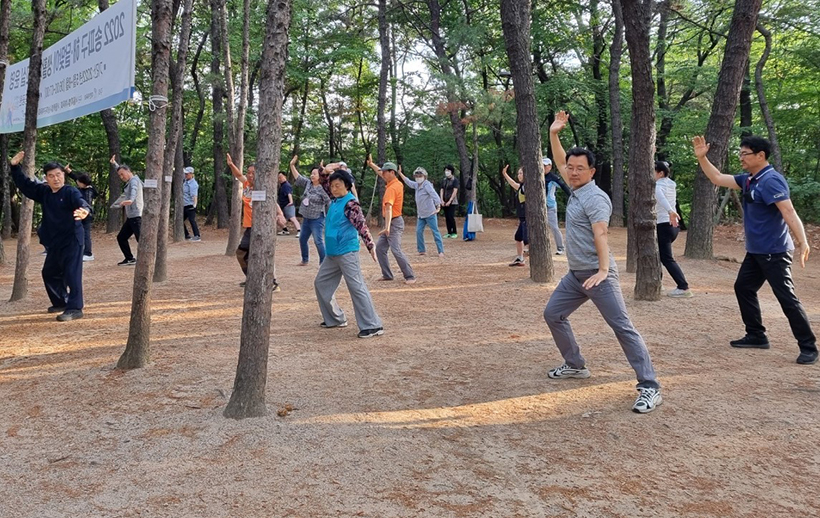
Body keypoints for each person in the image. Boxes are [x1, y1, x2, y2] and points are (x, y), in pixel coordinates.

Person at [545, 110, 662, 413]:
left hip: (599, 276)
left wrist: (603, 270)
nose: (572, 172)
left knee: (622, 327)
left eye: (579, 168)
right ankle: (575, 364)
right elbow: (559, 160)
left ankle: (650, 386)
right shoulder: (575, 188)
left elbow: (601, 234)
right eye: (570, 168)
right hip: (576, 275)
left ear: (592, 171)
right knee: (553, 314)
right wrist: (554, 133)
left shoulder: (595, 198)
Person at [692, 135, 817, 365]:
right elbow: (718, 178)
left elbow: (788, 211)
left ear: (761, 156)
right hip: (756, 251)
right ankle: (757, 335)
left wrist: (802, 241)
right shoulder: (750, 179)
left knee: (786, 298)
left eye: (745, 154)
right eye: (740, 153)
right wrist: (703, 158)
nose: (741, 158)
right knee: (743, 287)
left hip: (775, 252)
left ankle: (808, 346)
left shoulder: (771, 180)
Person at [9, 151, 90, 321]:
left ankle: (75, 308)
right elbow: (25, 185)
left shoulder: (70, 192)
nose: (56, 178)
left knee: (71, 274)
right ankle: (61, 302)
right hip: (54, 242)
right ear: (46, 178)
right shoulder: (44, 192)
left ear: (63, 176)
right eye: (51, 176)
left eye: (59, 175)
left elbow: (82, 203)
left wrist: (85, 211)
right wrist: (15, 167)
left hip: (72, 240)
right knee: (49, 273)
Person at [314, 170, 384, 338]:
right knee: (321, 283)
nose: (333, 188)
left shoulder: (350, 203)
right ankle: (336, 318)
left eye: (337, 185)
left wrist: (370, 245)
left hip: (346, 252)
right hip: (332, 253)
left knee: (356, 287)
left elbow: (362, 226)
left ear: (347, 185)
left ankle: (373, 325)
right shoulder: (334, 200)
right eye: (332, 186)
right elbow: (323, 179)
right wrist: (326, 169)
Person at [227, 153, 285, 291]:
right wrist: (230, 165)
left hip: (261, 226)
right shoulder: (247, 184)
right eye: (249, 172)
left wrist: (280, 214)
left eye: (253, 173)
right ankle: (253, 278)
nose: (250, 175)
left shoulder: (262, 186)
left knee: (263, 253)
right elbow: (239, 175)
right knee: (243, 253)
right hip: (250, 226)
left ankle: (273, 282)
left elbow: (273, 202)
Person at [366, 155, 416, 284]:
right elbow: (380, 173)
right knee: (380, 249)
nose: (382, 174)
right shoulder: (395, 183)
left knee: (396, 249)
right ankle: (387, 275)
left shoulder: (392, 188)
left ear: (392, 172)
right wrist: (371, 164)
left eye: (384, 172)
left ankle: (410, 276)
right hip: (392, 222)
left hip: (394, 222)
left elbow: (388, 209)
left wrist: (387, 227)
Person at [653, 161, 692, 298]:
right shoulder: (671, 184)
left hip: (664, 224)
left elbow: (660, 197)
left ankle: (683, 287)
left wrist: (670, 211)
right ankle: (657, 283)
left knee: (666, 258)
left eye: (653, 171)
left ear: (660, 173)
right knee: (657, 256)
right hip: (673, 226)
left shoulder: (658, 186)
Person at [289, 156, 330, 266]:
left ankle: (323, 262)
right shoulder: (308, 183)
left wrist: (330, 215)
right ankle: (305, 259)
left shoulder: (323, 188)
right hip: (306, 217)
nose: (312, 175)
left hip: (317, 218)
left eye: (314, 174)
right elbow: (298, 177)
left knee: (318, 241)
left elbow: (328, 201)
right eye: (311, 173)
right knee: (302, 239)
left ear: (320, 176)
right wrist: (292, 165)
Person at [398, 165, 444, 257]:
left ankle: (440, 251)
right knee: (419, 231)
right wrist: (400, 173)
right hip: (421, 215)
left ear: (424, 176)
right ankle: (421, 250)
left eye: (420, 176)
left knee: (435, 231)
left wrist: (438, 206)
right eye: (417, 176)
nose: (418, 178)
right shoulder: (417, 185)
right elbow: (408, 182)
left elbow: (434, 194)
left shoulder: (427, 185)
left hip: (430, 213)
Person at [110, 156, 143, 266]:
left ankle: (147, 259)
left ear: (128, 171)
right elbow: (121, 169)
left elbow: (134, 191)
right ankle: (129, 258)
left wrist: (130, 200)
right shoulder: (132, 179)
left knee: (141, 240)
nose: (121, 177)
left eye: (122, 174)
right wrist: (114, 164)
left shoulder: (134, 181)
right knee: (121, 237)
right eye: (119, 175)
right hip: (131, 217)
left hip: (136, 215)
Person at [65, 165, 98, 261]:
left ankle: (88, 253)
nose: (77, 183)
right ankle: (78, 251)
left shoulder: (88, 192)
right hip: (79, 214)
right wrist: (69, 171)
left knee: (86, 234)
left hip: (86, 215)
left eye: (79, 182)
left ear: (83, 184)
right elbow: (77, 178)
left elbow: (87, 205)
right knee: (77, 232)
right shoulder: (85, 187)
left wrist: (85, 212)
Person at [543, 157, 572, 255]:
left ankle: (561, 247)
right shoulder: (537, 176)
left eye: (545, 166)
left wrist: (572, 197)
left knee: (554, 227)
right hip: (539, 207)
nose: (543, 167)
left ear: (550, 167)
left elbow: (564, 186)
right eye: (542, 165)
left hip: (550, 206)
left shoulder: (553, 178)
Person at [501, 164, 528, 267]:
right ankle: (520, 258)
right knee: (518, 237)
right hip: (522, 218)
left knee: (527, 240)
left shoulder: (528, 187)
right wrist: (505, 174)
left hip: (527, 218)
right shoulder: (522, 186)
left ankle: (535, 260)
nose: (519, 175)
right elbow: (513, 183)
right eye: (518, 173)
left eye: (521, 173)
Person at [277, 171, 301, 237]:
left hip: (288, 205)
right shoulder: (281, 186)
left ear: (285, 177)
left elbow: (289, 194)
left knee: (292, 218)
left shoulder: (286, 185)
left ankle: (299, 231)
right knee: (278, 218)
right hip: (282, 206)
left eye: (281, 177)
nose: (279, 179)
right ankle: (285, 230)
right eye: (278, 177)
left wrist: (291, 202)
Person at [182, 166, 201, 242]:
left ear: (191, 174)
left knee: (192, 220)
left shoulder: (193, 184)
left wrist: (194, 205)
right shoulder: (185, 182)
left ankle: (197, 236)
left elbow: (194, 196)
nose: (185, 175)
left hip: (190, 205)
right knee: (180, 221)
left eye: (187, 174)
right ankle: (186, 235)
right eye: (185, 174)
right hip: (184, 205)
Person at [440, 165, 459, 238]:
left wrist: (450, 201)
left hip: (452, 201)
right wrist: (441, 200)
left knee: (451, 216)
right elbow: (442, 190)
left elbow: (455, 191)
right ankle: (449, 232)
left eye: (448, 171)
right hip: (444, 201)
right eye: (445, 170)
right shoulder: (444, 180)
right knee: (447, 217)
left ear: (451, 172)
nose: (446, 172)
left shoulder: (455, 180)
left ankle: (454, 232)